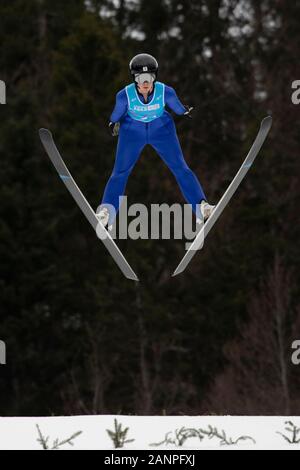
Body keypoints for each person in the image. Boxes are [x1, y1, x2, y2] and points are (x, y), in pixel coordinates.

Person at [97, 53, 215, 229]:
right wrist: (113, 123)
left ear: (154, 77)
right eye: (140, 77)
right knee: (120, 172)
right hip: (132, 131)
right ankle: (107, 213)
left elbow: (176, 106)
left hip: (161, 129)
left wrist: (185, 111)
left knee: (180, 167)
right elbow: (116, 114)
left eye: (149, 77)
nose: (145, 83)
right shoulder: (124, 95)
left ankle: (202, 208)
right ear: (134, 78)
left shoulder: (165, 91)